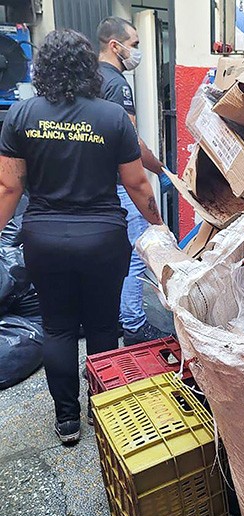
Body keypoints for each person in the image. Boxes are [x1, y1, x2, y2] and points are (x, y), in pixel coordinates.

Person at [0, 29, 163, 445]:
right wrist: (159, 226)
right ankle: (104, 411)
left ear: (44, 68)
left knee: (57, 328)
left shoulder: (21, 115)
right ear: (88, 66)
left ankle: (67, 422)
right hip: (103, 240)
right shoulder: (111, 117)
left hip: (44, 240)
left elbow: (8, 188)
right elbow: (138, 185)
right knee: (104, 326)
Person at [97, 16, 172, 347]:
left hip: (96, 187)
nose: (137, 53)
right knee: (136, 254)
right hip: (120, 185)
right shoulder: (116, 84)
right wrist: (160, 168)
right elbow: (131, 143)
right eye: (135, 45)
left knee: (110, 258)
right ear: (116, 46)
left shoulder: (87, 79)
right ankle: (134, 324)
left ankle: (115, 317)